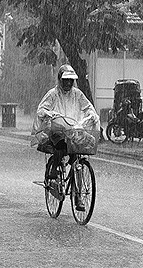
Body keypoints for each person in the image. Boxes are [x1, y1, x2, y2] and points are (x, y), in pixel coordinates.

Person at [33, 64, 100, 211]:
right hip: (57, 129)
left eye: (71, 80)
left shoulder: (77, 94)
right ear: (60, 80)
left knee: (78, 160)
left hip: (74, 130)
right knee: (61, 145)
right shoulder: (52, 94)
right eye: (65, 80)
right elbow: (41, 109)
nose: (68, 83)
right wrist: (49, 114)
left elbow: (87, 106)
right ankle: (54, 170)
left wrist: (92, 115)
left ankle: (79, 198)